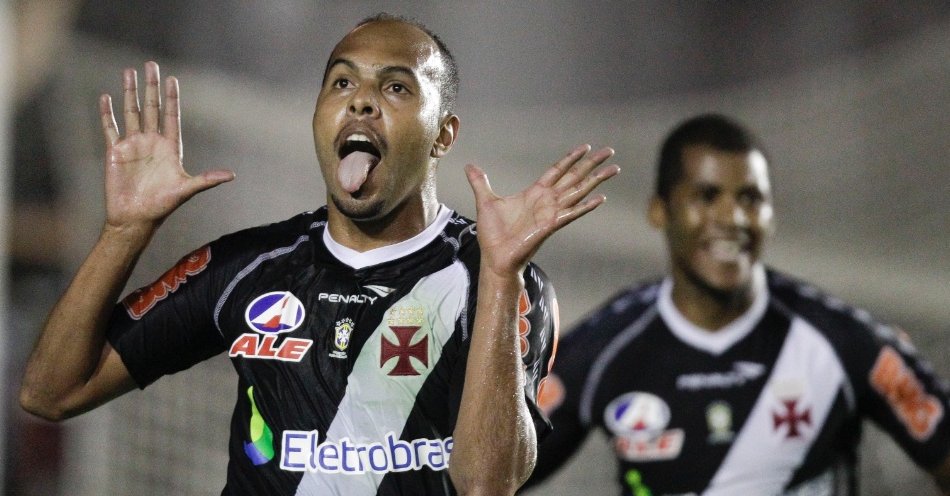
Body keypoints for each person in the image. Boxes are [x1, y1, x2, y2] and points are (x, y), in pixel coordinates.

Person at [18, 13, 620, 495]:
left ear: (443, 134)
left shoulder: (495, 277)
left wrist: (503, 273)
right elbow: (51, 394)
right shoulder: (249, 268)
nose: (361, 101)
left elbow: (487, 485)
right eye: (342, 82)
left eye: (396, 87)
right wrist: (123, 231)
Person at [524, 113, 950, 495]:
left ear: (771, 214)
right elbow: (496, 478)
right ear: (659, 211)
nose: (732, 219)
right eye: (707, 197)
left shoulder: (845, 341)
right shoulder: (603, 348)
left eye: (750, 198)